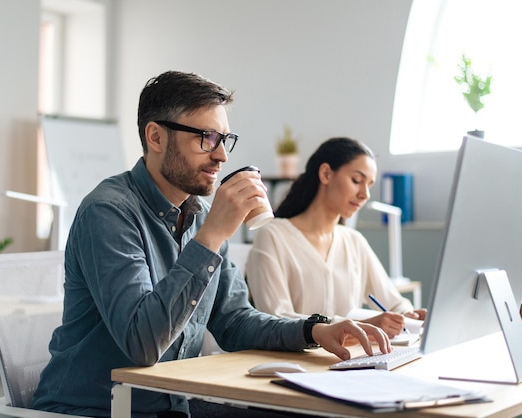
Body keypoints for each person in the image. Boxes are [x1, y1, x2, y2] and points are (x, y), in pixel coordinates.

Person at [30, 71, 391, 418]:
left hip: (171, 406)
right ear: (155, 137)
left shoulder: (200, 215)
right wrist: (212, 236)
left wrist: (315, 329)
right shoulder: (108, 211)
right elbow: (141, 344)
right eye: (206, 138)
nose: (222, 156)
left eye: (225, 140)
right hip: (97, 409)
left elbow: (233, 321)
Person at [245, 137, 427, 339]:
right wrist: (357, 325)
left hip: (349, 359)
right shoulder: (272, 236)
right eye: (357, 181)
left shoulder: (354, 241)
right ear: (325, 174)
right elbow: (275, 317)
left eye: (369, 185)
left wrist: (406, 315)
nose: (364, 194)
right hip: (294, 363)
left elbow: (394, 302)